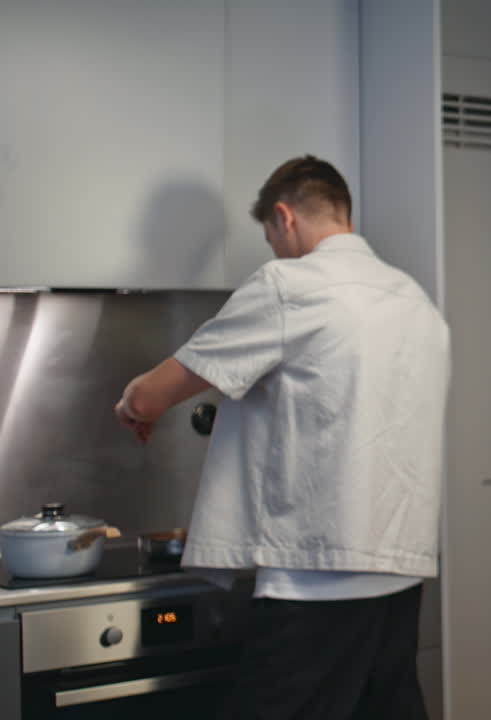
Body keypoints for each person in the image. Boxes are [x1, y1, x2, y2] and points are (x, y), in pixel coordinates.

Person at [114, 155, 450, 720]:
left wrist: (130, 400)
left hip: (316, 576)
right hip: (398, 570)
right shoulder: (413, 299)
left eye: (270, 237)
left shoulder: (289, 286)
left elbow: (151, 396)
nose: (273, 250)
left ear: (284, 216)